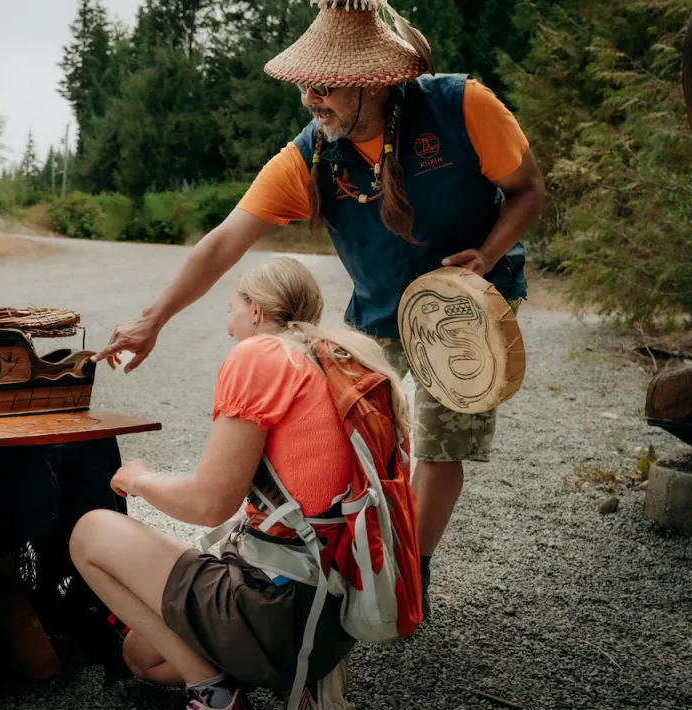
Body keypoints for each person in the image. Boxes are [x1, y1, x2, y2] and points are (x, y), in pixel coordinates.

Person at [92, 0, 545, 616]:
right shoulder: (310, 155)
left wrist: (488, 255)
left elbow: (528, 189)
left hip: (465, 307)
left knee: (440, 442)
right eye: (305, 82)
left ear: (374, 82)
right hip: (379, 307)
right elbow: (225, 239)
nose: (310, 97)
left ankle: (411, 576)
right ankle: (344, 555)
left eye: (325, 84)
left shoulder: (463, 106)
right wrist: (152, 320)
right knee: (346, 426)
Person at [70, 256, 414, 710]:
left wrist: (138, 479)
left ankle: (215, 702)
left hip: (274, 609)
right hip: (333, 613)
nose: (226, 317)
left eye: (230, 305)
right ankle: (303, 680)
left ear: (255, 311)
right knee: (141, 656)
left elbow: (209, 504)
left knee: (90, 533)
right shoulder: (337, 357)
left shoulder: (259, 355)